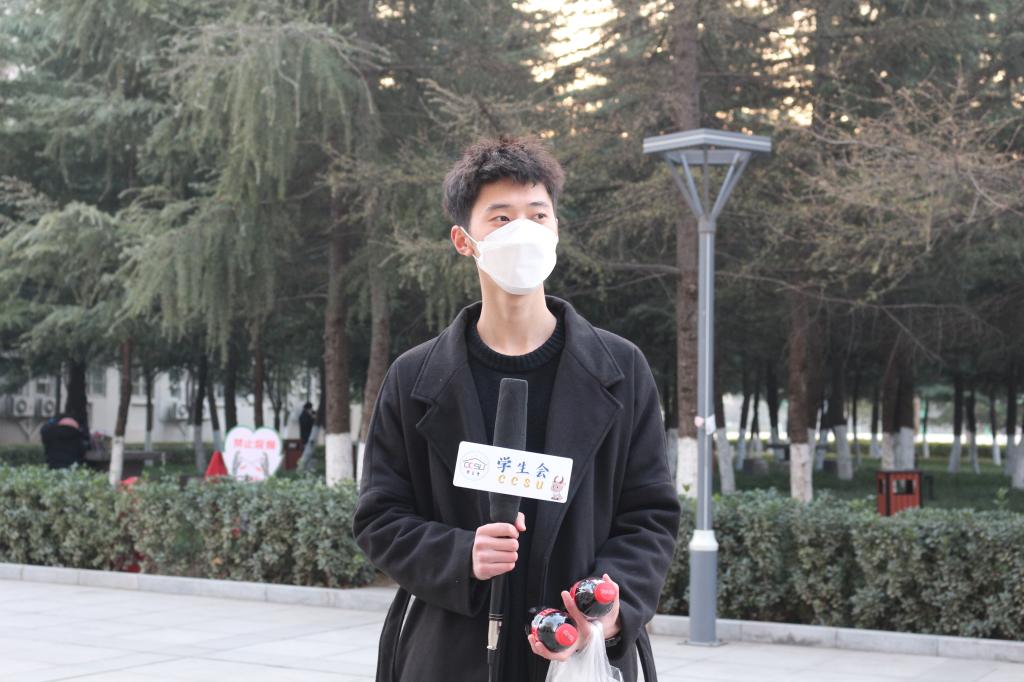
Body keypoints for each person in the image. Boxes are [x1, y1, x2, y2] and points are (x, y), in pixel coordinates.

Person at [353, 136, 680, 682]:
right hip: (448, 653)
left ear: (556, 230)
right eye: (501, 218)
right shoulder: (414, 377)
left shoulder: (620, 369)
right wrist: (461, 554)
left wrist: (608, 609)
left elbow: (650, 514)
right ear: (464, 240)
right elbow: (380, 516)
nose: (522, 231)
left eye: (537, 215)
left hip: (577, 653)